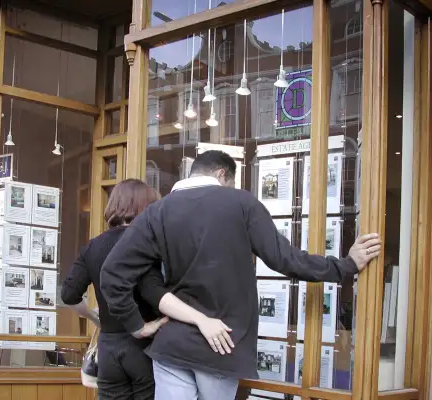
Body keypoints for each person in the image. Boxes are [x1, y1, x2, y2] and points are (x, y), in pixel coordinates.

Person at [100, 151, 382, 400]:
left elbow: (113, 274)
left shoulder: (156, 212)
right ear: (223, 174)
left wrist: (136, 326)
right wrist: (345, 266)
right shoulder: (242, 203)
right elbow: (286, 259)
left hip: (172, 347)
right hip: (221, 345)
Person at [61, 178, 228, 400]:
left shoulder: (93, 246)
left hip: (109, 348)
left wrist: (94, 318)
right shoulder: (146, 244)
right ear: (145, 208)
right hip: (145, 346)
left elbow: (69, 295)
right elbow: (155, 289)